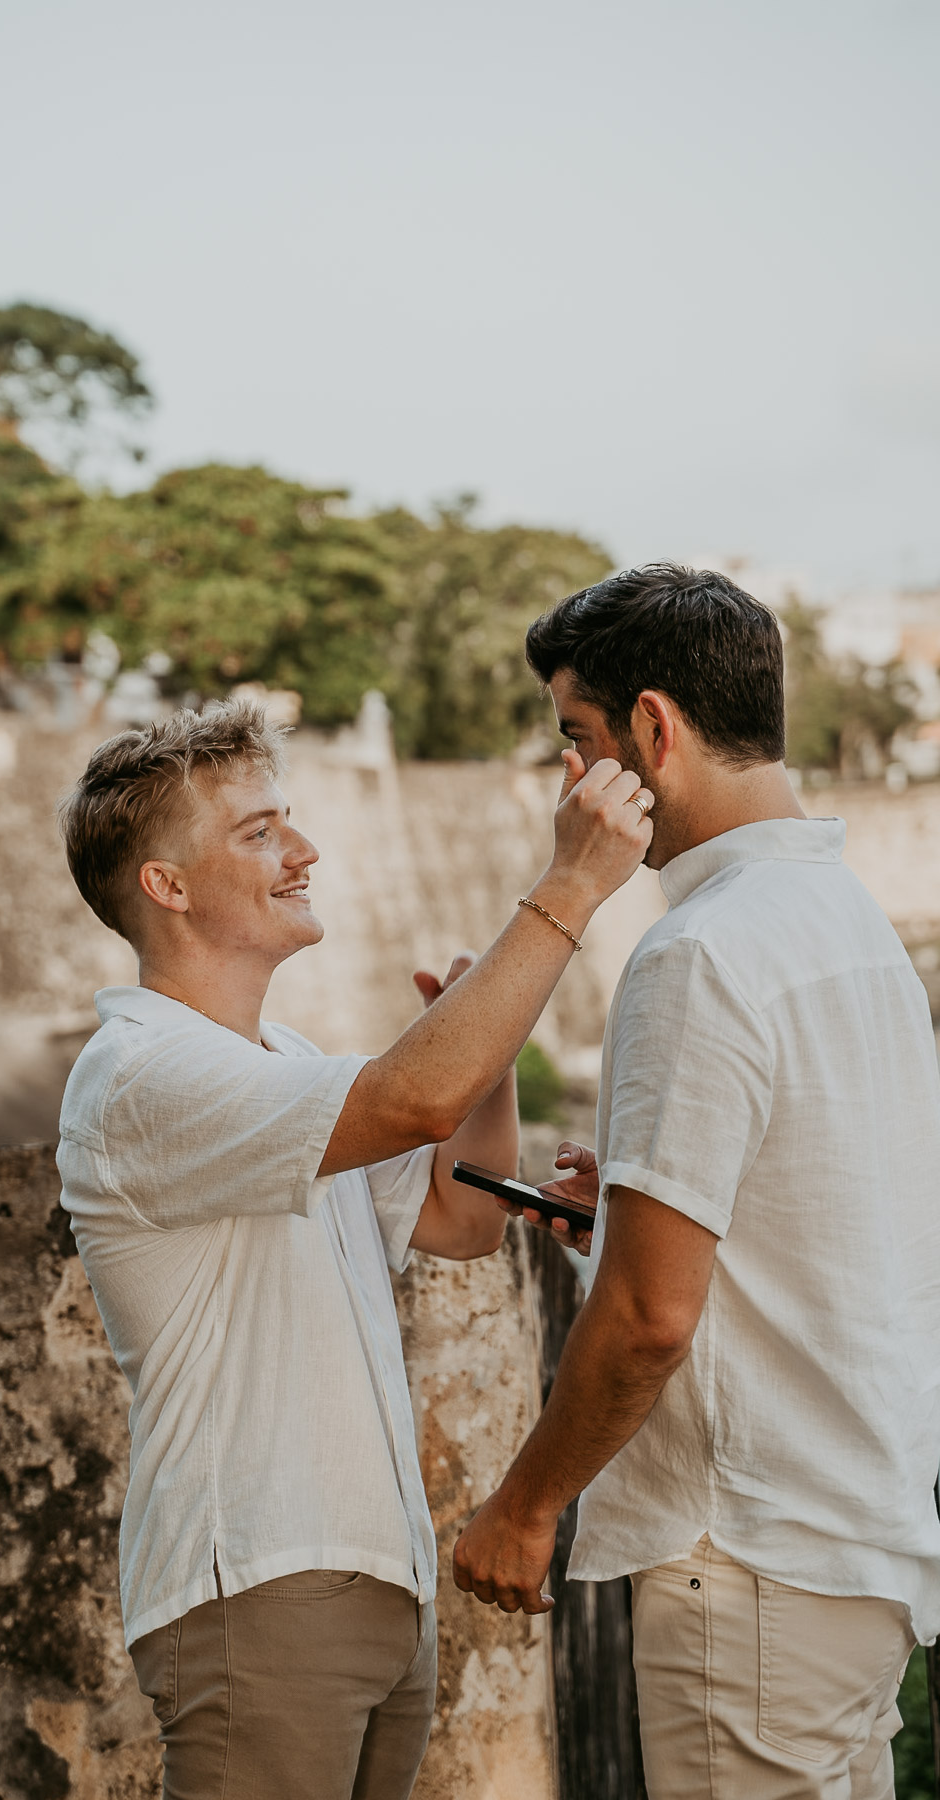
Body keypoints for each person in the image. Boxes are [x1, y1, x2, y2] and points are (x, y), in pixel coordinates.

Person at [54, 700, 652, 1800]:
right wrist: (566, 889)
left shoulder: (282, 1063)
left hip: (377, 1583)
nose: (304, 850)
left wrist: (492, 1048)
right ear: (166, 887)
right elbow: (413, 1099)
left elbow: (460, 1222)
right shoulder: (142, 1072)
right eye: (258, 832)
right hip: (263, 1584)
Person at [452, 564, 940, 1800]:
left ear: (653, 732)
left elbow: (652, 1318)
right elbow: (830, 1209)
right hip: (853, 1539)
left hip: (750, 1564)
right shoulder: (849, 923)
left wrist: (525, 1504)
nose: (569, 778)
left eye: (577, 738)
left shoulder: (697, 953)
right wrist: (630, 1207)